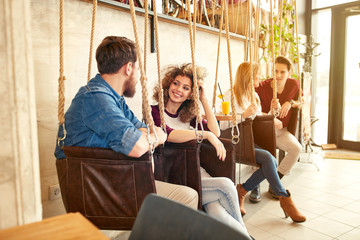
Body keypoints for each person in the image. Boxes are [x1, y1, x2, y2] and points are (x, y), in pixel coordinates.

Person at [54, 36, 198, 209]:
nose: (139, 76)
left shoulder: (115, 99)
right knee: (188, 197)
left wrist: (147, 137)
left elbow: (150, 130)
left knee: (186, 194)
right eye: (138, 69)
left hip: (112, 179)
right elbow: (136, 146)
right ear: (129, 68)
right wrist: (149, 139)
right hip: (97, 189)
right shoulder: (95, 97)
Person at [151, 63, 251, 236]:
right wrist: (204, 135)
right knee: (227, 185)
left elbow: (216, 131)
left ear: (191, 94)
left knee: (216, 211)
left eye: (186, 88)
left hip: (198, 173)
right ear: (168, 84)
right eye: (176, 83)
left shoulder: (187, 116)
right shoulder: (154, 112)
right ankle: (247, 234)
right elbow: (168, 134)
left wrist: (204, 100)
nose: (178, 89)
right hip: (178, 177)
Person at [220, 61, 306, 223]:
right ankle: (284, 198)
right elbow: (223, 124)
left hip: (250, 141)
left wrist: (273, 111)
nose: (259, 82)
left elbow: (260, 119)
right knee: (268, 159)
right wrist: (243, 115)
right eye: (256, 78)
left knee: (271, 160)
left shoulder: (254, 96)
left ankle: (242, 190)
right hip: (235, 141)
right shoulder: (230, 94)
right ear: (247, 78)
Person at [254, 56, 303, 200]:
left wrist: (289, 102)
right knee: (261, 155)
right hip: (262, 130)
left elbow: (301, 101)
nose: (278, 75)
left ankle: (275, 181)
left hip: (281, 131)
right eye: (275, 71)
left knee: (296, 149)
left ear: (289, 73)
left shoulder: (294, 84)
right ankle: (254, 187)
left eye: (282, 72)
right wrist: (270, 117)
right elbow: (255, 111)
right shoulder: (262, 86)